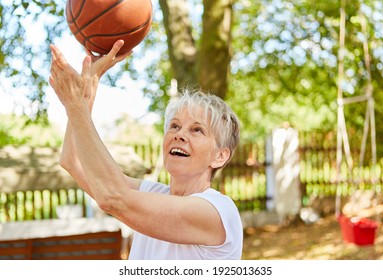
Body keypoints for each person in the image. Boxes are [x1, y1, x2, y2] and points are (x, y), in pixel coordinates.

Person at [49, 40, 243, 260]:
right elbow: (73, 161)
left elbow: (113, 197)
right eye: (175, 126)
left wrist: (76, 106)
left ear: (220, 156)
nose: (179, 134)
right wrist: (86, 93)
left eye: (197, 130)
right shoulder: (153, 193)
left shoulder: (217, 211)